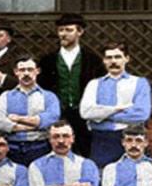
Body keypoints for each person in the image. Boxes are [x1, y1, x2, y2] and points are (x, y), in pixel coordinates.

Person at [38, 13, 105, 156]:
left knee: (85, 154)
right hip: (57, 115)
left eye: (69, 30)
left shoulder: (93, 60)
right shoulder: (47, 60)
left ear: (80, 32)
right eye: (61, 30)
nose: (63, 34)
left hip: (83, 117)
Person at [80, 41, 152, 169]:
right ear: (104, 61)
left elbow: (141, 114)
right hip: (101, 141)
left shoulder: (139, 83)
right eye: (109, 57)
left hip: (130, 138)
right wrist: (118, 109)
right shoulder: (94, 84)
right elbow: (86, 112)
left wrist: (102, 115)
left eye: (118, 57)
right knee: (101, 179)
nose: (113, 61)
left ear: (127, 59)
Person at [0, 55, 61, 166]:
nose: (26, 74)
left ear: (37, 71)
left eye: (30, 70)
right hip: (12, 147)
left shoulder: (49, 97)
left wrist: (18, 119)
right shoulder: (5, 96)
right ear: (16, 72)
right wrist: (33, 126)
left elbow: (51, 119)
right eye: (22, 70)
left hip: (40, 147)